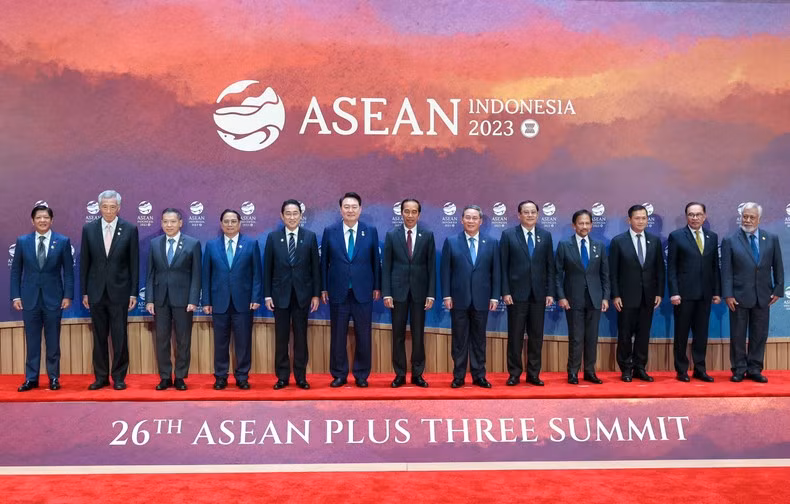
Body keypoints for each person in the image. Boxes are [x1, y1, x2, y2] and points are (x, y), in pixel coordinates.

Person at [10, 205, 74, 391]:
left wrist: (68, 295)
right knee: (32, 341)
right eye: (39, 217)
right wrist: (15, 296)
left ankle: (54, 378)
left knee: (53, 341)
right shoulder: (22, 242)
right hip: (29, 299)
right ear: (33, 221)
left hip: (54, 299)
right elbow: (15, 272)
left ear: (51, 220)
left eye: (46, 217)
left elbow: (68, 272)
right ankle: (31, 379)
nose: (42, 220)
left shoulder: (62, 241)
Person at [80, 190, 139, 390]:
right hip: (96, 292)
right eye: (104, 206)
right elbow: (85, 263)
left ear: (119, 208)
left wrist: (133, 292)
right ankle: (101, 377)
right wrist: (85, 292)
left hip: (120, 292)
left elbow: (134, 263)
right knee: (99, 336)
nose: (108, 210)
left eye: (112, 207)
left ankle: (119, 377)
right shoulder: (88, 229)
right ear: (99, 207)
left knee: (119, 336)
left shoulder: (129, 229)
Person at [321, 192, 381, 388]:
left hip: (363, 291)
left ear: (360, 209)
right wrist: (323, 288)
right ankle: (339, 374)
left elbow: (375, 262)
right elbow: (323, 263)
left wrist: (377, 286)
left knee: (363, 334)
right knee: (338, 335)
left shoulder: (370, 231)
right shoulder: (330, 231)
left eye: (354, 206)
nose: (350, 210)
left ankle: (362, 375)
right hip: (338, 291)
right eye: (346, 207)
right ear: (340, 210)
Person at [721, 202, 784, 383]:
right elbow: (726, 271)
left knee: (759, 334)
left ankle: (755, 368)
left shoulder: (770, 238)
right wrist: (728, 294)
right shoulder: (730, 240)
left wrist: (778, 288)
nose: (747, 220)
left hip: (763, 296)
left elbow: (778, 265)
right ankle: (739, 369)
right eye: (745, 216)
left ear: (759, 219)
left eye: (751, 217)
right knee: (738, 335)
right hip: (738, 296)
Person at [441, 205, 500, 389]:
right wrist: (446, 295)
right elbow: (445, 272)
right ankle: (458, 376)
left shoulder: (491, 242)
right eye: (468, 217)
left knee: (479, 340)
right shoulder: (451, 242)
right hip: (458, 299)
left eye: (475, 218)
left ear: (481, 221)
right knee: (459, 340)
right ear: (462, 220)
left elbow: (496, 272)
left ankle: (478, 376)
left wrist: (495, 297)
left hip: (482, 299)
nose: (471, 221)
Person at [264, 199, 320, 390]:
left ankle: (301, 377)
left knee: (301, 337)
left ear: (301, 216)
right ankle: (282, 377)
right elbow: (267, 269)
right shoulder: (273, 238)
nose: (292, 217)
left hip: (303, 296)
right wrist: (267, 295)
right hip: (279, 296)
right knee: (281, 338)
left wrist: (315, 295)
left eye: (295, 213)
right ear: (282, 216)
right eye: (288, 213)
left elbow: (315, 269)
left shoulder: (310, 237)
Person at [202, 209, 262, 390]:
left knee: (243, 342)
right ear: (221, 224)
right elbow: (206, 275)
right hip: (219, 303)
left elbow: (256, 274)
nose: (229, 224)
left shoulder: (251, 244)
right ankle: (221, 377)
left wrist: (255, 297)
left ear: (239, 223)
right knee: (220, 343)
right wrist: (206, 301)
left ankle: (242, 376)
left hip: (243, 302)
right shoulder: (211, 246)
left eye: (233, 221)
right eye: (226, 221)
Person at [145, 208, 201, 391]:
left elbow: (196, 275)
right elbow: (150, 274)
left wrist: (193, 299)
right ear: (161, 223)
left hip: (184, 300)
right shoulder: (154, 244)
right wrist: (149, 300)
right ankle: (165, 377)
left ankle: (180, 377)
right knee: (162, 339)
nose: (169, 225)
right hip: (160, 300)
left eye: (172, 222)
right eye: (165, 222)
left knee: (183, 340)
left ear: (180, 223)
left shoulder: (193, 244)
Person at [500, 200, 555, 386]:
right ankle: (514, 374)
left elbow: (550, 266)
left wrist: (550, 292)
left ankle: (533, 374)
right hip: (516, 295)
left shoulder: (545, 236)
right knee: (515, 336)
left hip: (539, 295)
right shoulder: (508, 235)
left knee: (536, 337)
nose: (530, 215)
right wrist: (505, 291)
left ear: (538, 215)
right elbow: (503, 266)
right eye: (526, 212)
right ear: (519, 215)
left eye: (533, 212)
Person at [382, 198, 435, 388]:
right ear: (401, 213)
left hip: (420, 294)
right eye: (407, 211)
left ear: (419, 214)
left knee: (418, 334)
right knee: (398, 335)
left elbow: (431, 267)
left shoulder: (427, 235)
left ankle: (418, 374)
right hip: (397, 294)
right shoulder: (391, 235)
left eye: (414, 212)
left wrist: (431, 294)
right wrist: (387, 293)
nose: (410, 215)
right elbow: (386, 266)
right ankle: (400, 374)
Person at [609, 204, 665, 382]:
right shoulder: (619, 241)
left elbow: (659, 270)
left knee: (643, 335)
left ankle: (640, 367)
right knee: (625, 335)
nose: (641, 221)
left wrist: (659, 293)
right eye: (637, 218)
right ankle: (626, 369)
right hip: (625, 298)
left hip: (648, 297)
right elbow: (613, 272)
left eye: (644, 218)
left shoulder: (654, 241)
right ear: (629, 220)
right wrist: (615, 295)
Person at [667, 202, 720, 382]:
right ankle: (681, 370)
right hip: (683, 295)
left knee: (701, 334)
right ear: (686, 216)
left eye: (698, 214)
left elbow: (715, 267)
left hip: (705, 295)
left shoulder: (712, 237)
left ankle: (700, 369)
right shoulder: (676, 236)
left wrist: (716, 292)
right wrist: (674, 292)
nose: (695, 218)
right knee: (681, 333)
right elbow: (672, 267)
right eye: (691, 214)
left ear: (704, 216)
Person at [555, 209, 609, 384]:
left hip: (595, 298)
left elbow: (604, 274)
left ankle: (589, 372)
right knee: (576, 337)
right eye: (581, 223)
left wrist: (605, 297)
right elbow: (557, 274)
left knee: (592, 338)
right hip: (572, 299)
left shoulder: (599, 246)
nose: (584, 226)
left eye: (587, 223)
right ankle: (572, 372)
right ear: (574, 225)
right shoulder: (564, 245)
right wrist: (561, 297)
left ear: (592, 225)